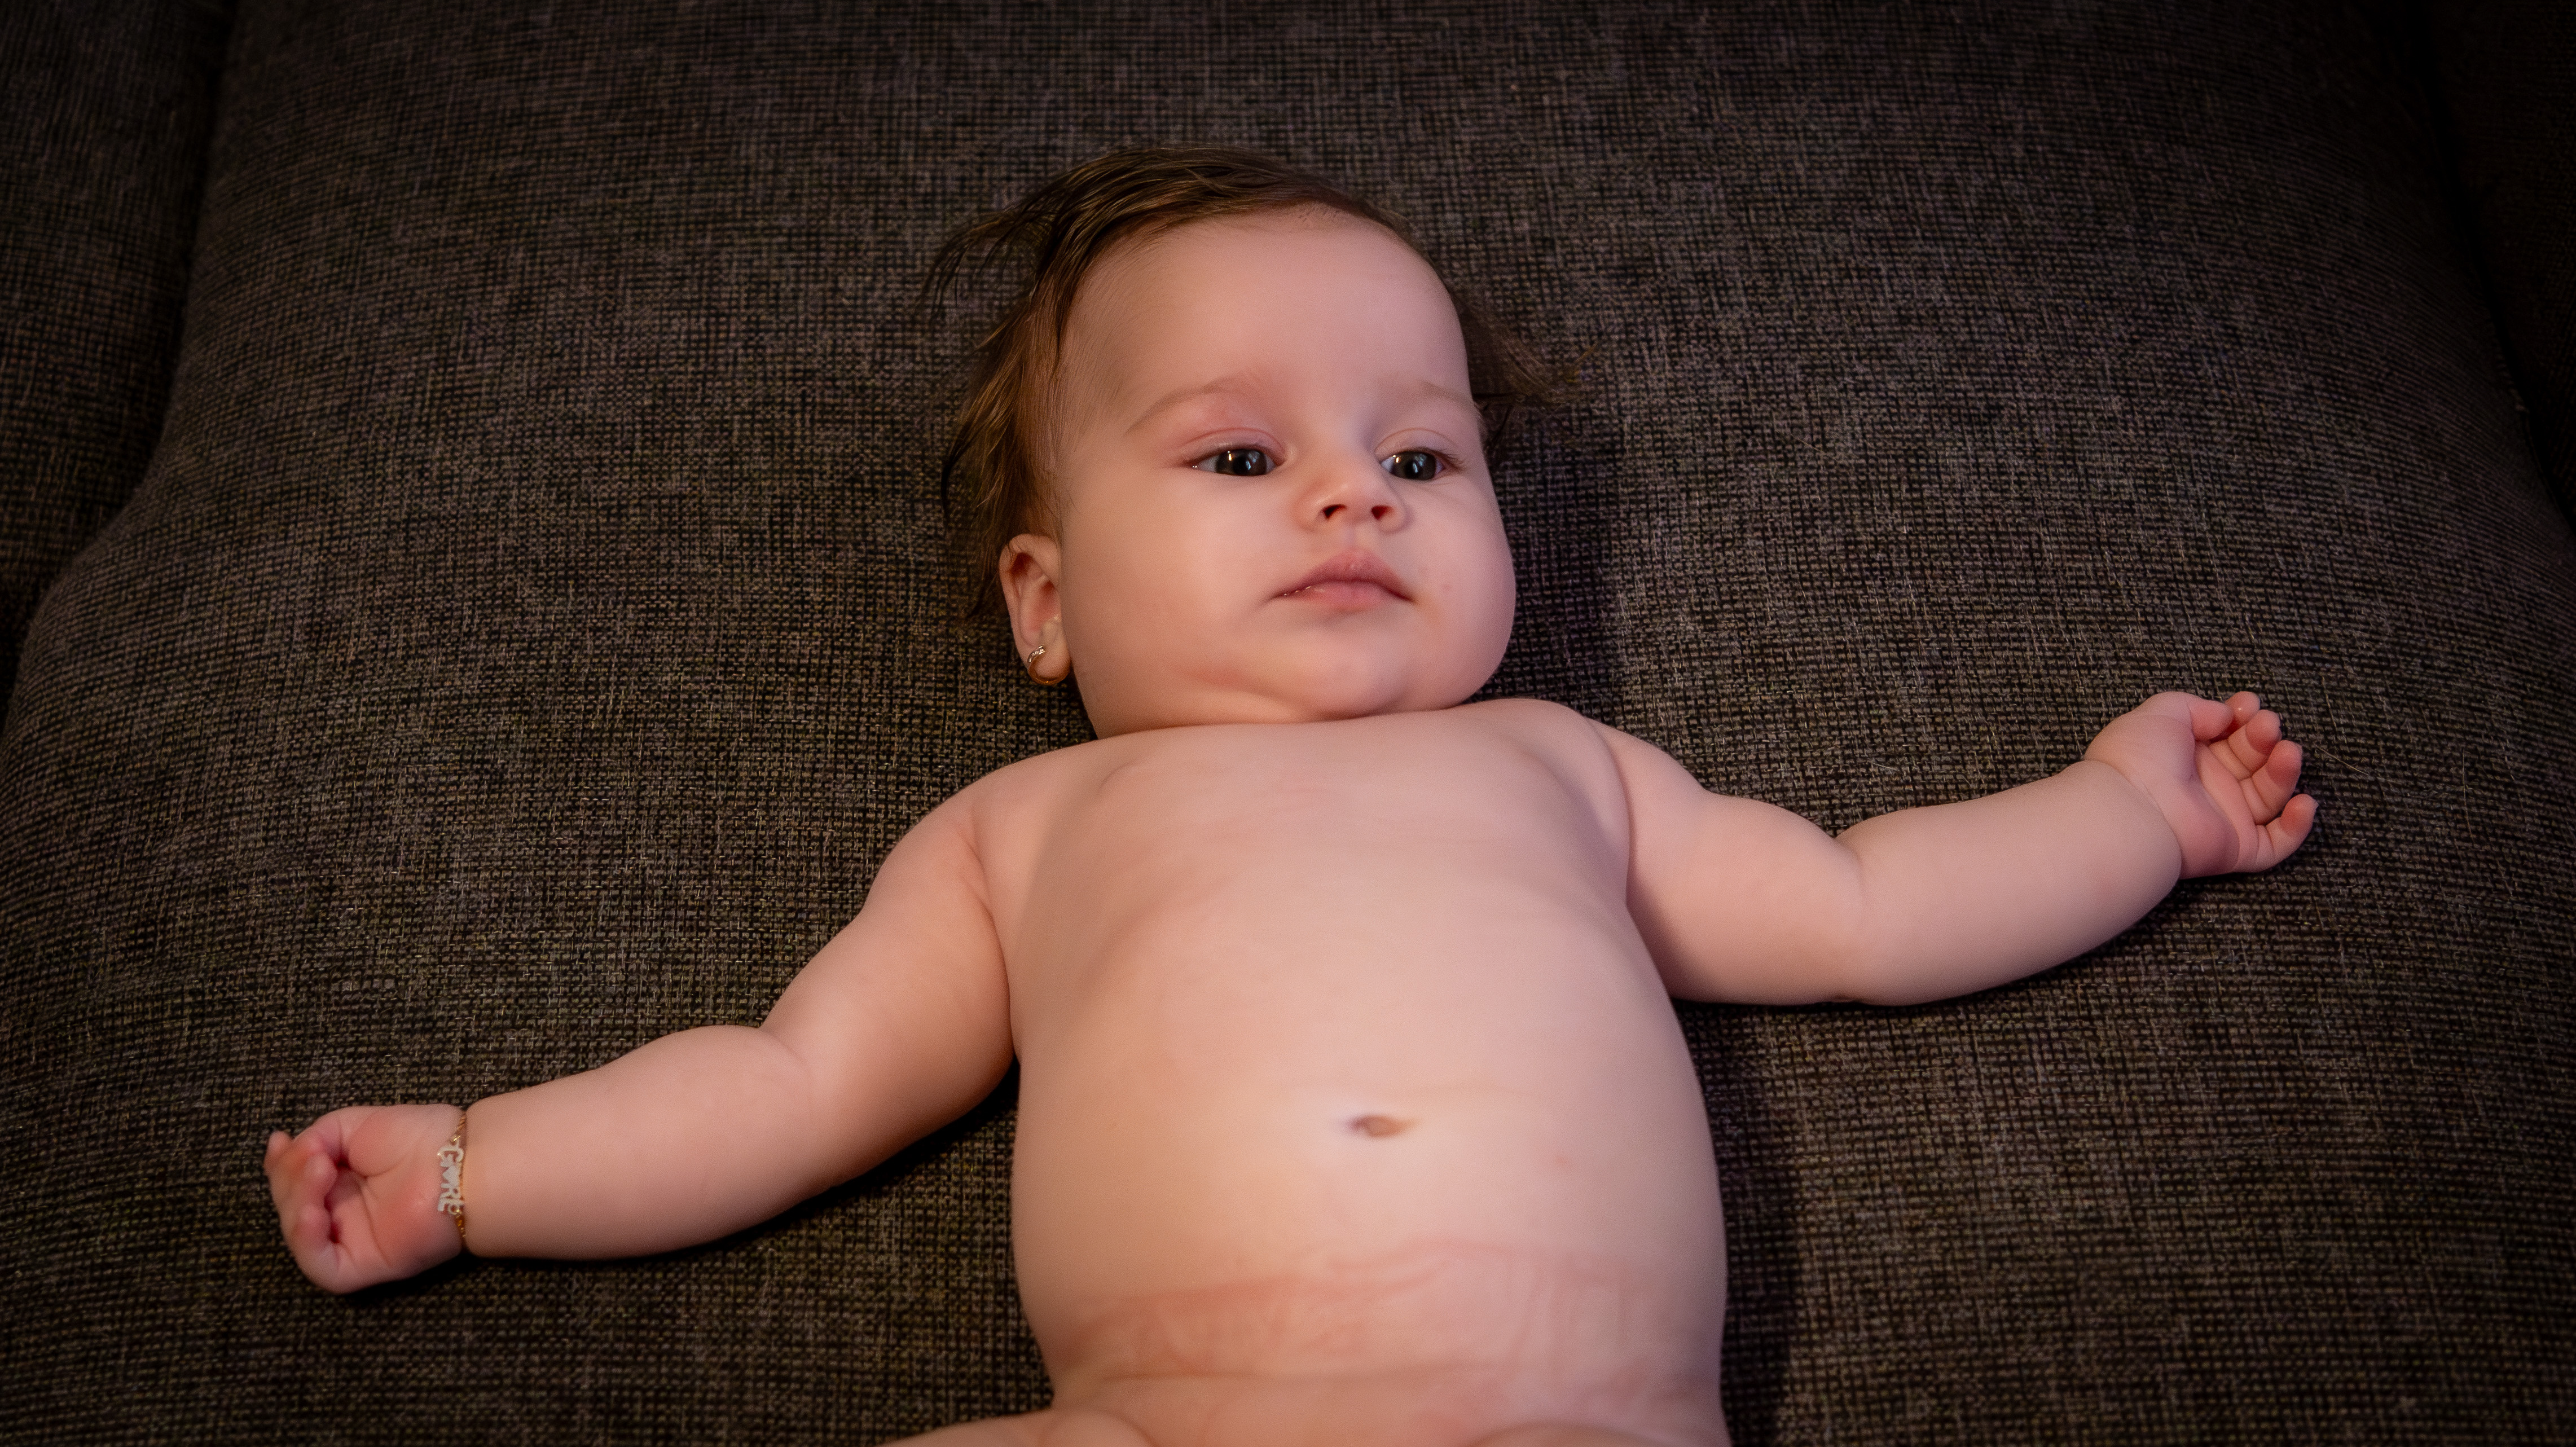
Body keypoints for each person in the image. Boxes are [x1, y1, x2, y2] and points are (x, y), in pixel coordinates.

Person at [264, 147, 2316, 1447]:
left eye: (1420, 458)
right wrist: (476, 1170)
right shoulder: (1025, 836)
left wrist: (2131, 813)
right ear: (1046, 600)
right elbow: (790, 1089)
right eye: (1240, 459)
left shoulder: (1559, 769)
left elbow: (1868, 908)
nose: (1354, 495)